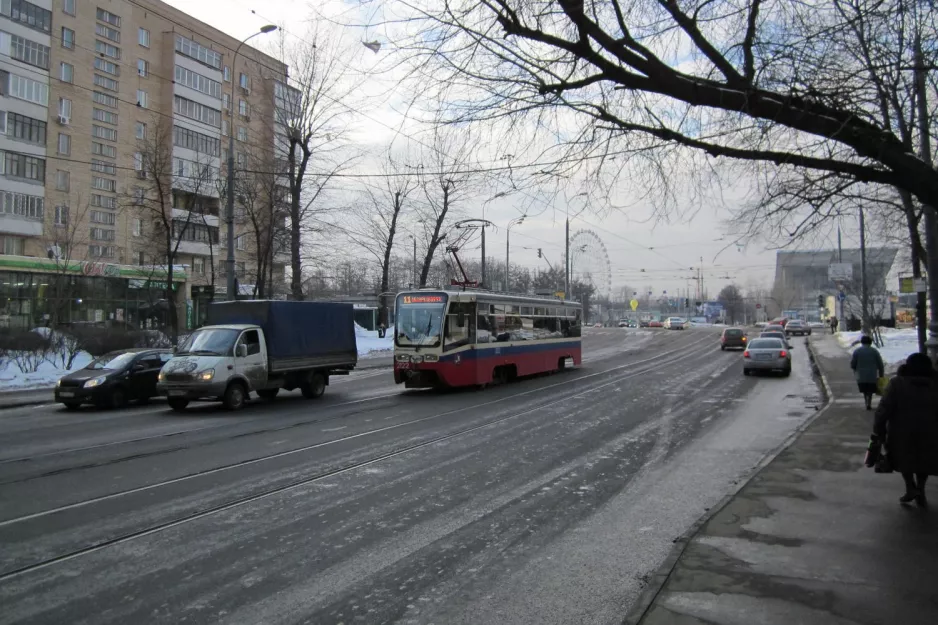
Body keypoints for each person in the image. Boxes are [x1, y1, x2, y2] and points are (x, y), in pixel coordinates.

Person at [874, 353, 938, 506]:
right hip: (931, 431)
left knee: (904, 459)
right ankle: (920, 489)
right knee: (924, 459)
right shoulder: (935, 383)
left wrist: (879, 429)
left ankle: (910, 487)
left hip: (901, 432)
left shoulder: (897, 383)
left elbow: (884, 409)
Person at [850, 335, 884, 410]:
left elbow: (853, 363)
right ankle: (869, 401)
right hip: (872, 375)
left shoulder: (857, 351)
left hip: (861, 375)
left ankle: (866, 401)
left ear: (862, 342)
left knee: (865, 390)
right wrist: (881, 375)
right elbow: (880, 364)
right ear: (870, 342)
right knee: (870, 390)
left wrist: (854, 369)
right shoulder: (874, 351)